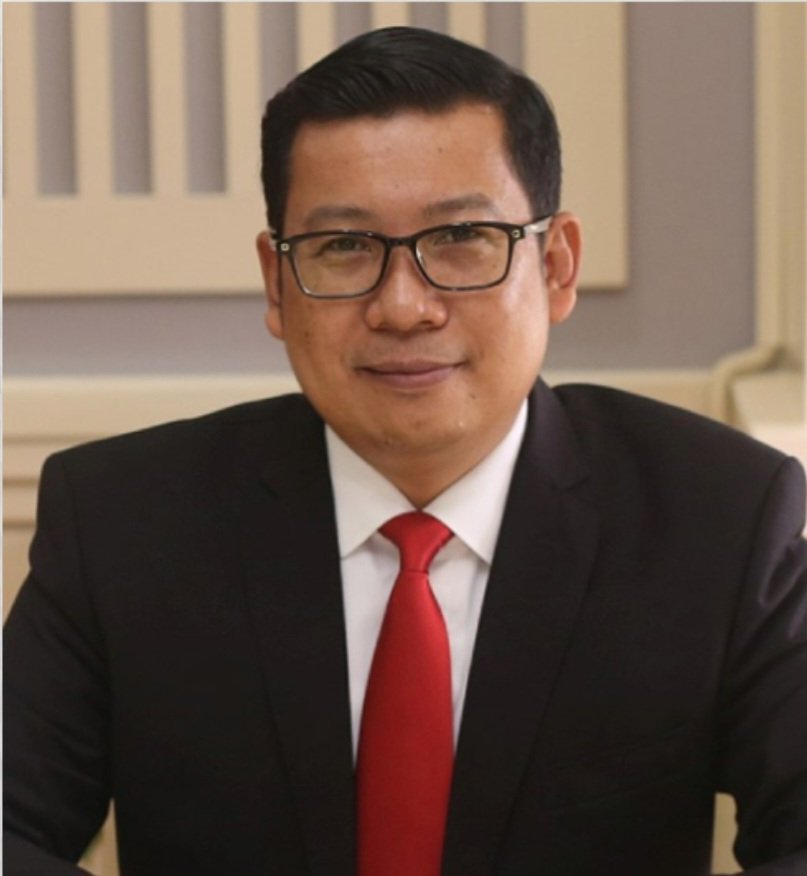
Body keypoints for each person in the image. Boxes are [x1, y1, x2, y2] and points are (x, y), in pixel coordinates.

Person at [4, 26, 807, 876]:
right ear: (277, 283)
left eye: (460, 237)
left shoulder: (716, 517)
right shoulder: (123, 522)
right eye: (343, 247)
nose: (402, 307)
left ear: (556, 266)